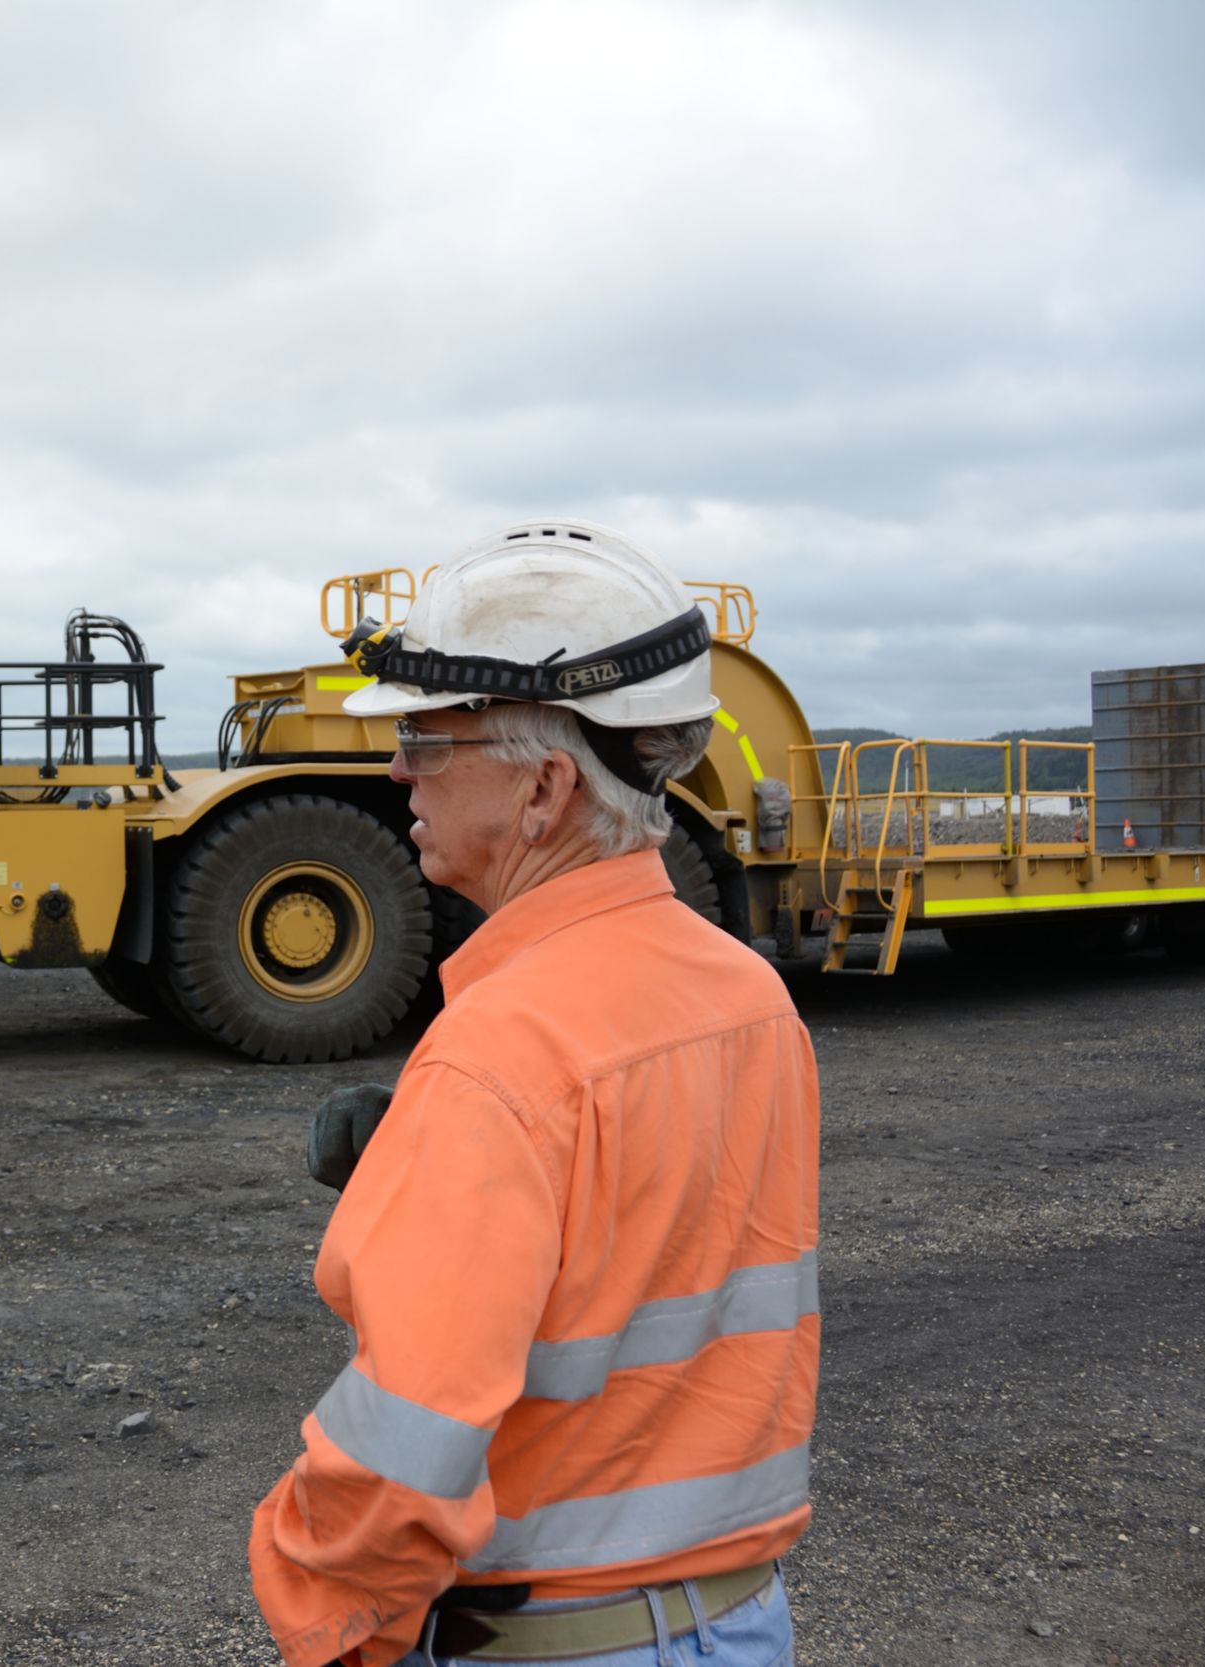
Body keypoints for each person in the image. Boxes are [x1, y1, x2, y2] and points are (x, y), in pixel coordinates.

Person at [251, 521, 821, 1667]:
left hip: (549, 1638)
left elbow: (403, 1453)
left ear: (544, 787)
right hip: (734, 1620)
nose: (397, 770)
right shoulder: (748, 994)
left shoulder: (503, 1051)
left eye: (423, 739)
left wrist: (324, 1617)